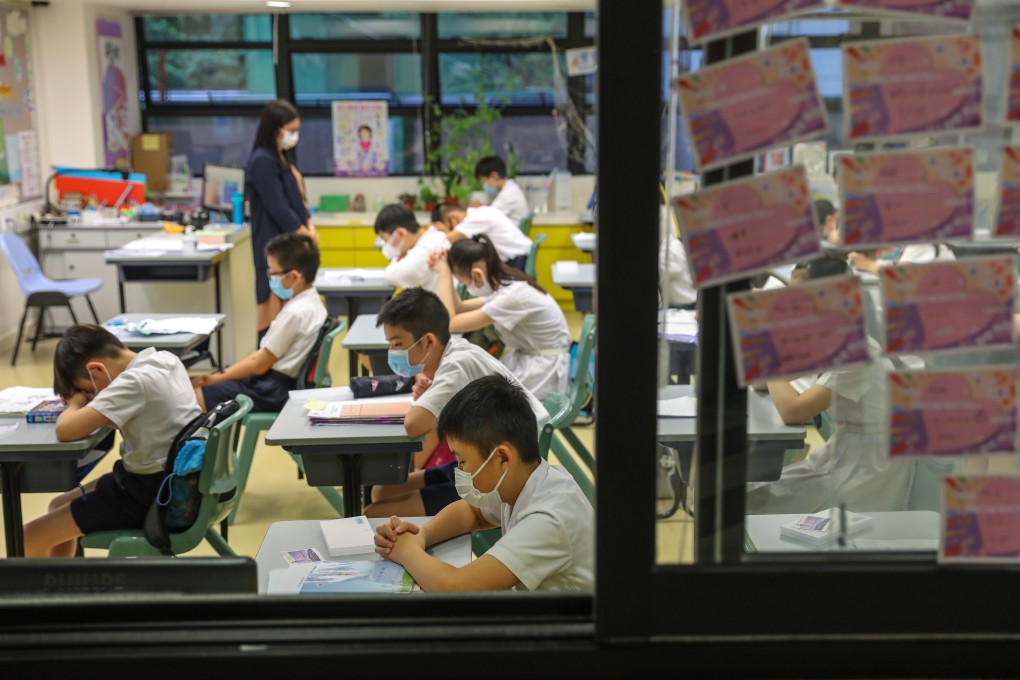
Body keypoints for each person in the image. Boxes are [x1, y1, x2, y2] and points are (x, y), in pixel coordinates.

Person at [373, 374, 594, 591]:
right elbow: (471, 513)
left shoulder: (549, 519)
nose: (458, 471)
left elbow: (458, 587)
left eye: (462, 461)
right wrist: (421, 535)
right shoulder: (522, 481)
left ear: (502, 458)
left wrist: (407, 552)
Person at [746, 255, 915, 514]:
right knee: (749, 495)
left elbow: (793, 411)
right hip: (845, 450)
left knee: (751, 504)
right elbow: (761, 382)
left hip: (871, 465)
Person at [364, 287, 547, 519]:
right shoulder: (458, 352)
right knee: (381, 491)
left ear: (428, 341)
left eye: (398, 344)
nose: (392, 352)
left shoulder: (456, 365)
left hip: (500, 478)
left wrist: (425, 404)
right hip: (484, 462)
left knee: (374, 513)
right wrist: (429, 396)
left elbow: (414, 425)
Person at [23, 325, 201, 557]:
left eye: (88, 391)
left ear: (96, 368)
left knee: (29, 535)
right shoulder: (166, 360)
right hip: (170, 480)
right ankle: (63, 588)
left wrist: (76, 403)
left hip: (149, 494)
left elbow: (66, 430)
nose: (93, 398)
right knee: (58, 505)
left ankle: (40, 593)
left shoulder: (133, 382)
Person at [192, 233, 326, 413]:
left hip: (273, 391)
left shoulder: (295, 313)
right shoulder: (313, 303)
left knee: (197, 395)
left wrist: (214, 379)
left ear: (294, 277)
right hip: (281, 384)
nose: (270, 277)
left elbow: (259, 364)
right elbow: (260, 357)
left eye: (273, 272)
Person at [431, 235, 571, 401]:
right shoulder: (505, 284)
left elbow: (451, 323)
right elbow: (460, 307)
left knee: (477, 400)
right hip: (532, 360)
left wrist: (444, 274)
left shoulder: (513, 296)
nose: (467, 287)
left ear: (476, 275)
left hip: (543, 370)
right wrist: (447, 268)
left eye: (463, 282)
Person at [246, 99, 319, 339]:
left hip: (290, 244)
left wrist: (307, 225)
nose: (294, 136)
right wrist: (303, 232)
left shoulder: (281, 157)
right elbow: (278, 207)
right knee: (272, 313)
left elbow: (295, 199)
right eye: (291, 130)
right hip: (273, 244)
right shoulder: (262, 161)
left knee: (289, 316)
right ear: (275, 130)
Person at [374, 203, 451, 293]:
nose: (386, 245)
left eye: (386, 240)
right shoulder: (431, 239)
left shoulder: (427, 249)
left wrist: (397, 260)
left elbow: (391, 275)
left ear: (401, 233)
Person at [436, 203, 532, 271]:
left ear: (453, 217)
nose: (453, 229)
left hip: (516, 261)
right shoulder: (483, 211)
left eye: (451, 226)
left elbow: (448, 239)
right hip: (520, 254)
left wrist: (444, 230)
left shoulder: (474, 219)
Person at [475, 155, 530, 224]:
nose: (485, 185)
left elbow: (488, 217)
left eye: (484, 181)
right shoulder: (511, 189)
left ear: (494, 176)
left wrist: (474, 210)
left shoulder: (508, 194)